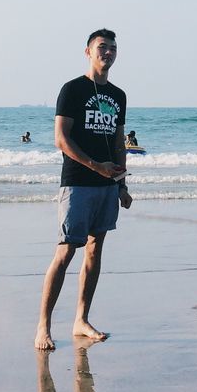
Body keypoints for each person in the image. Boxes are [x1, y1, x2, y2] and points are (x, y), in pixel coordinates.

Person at [34, 29, 132, 350]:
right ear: (88, 52)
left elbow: (118, 143)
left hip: (107, 185)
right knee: (65, 251)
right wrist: (96, 166)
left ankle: (81, 319)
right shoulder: (72, 89)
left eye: (113, 48)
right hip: (77, 182)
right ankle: (43, 327)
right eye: (102, 47)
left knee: (95, 250)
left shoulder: (118, 95)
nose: (108, 52)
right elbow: (61, 139)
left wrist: (121, 184)